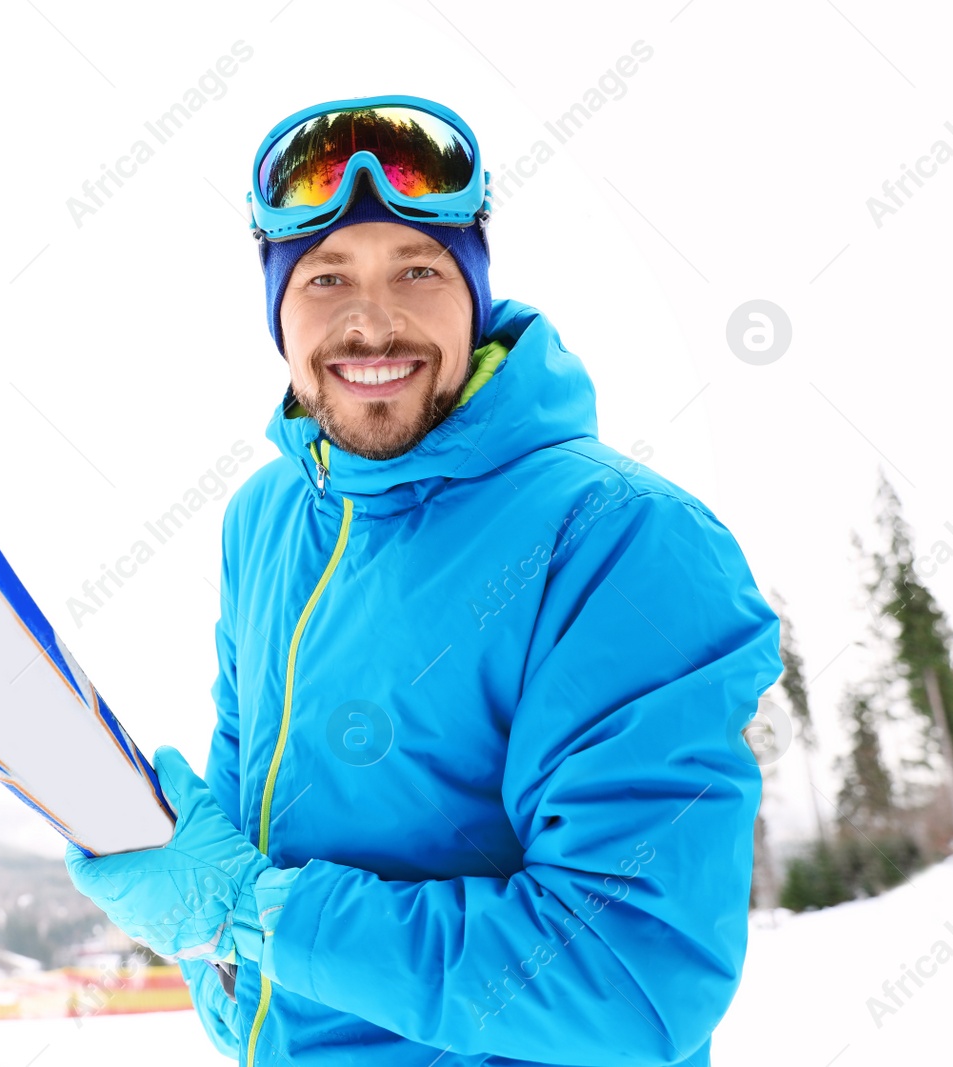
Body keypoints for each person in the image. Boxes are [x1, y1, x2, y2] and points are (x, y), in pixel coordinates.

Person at [63, 94, 782, 1067]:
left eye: (416, 269)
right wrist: (211, 944)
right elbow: (245, 817)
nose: (371, 321)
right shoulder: (267, 519)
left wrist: (249, 912)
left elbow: (629, 979)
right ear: (276, 307)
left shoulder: (624, 540)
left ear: (475, 293)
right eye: (324, 276)